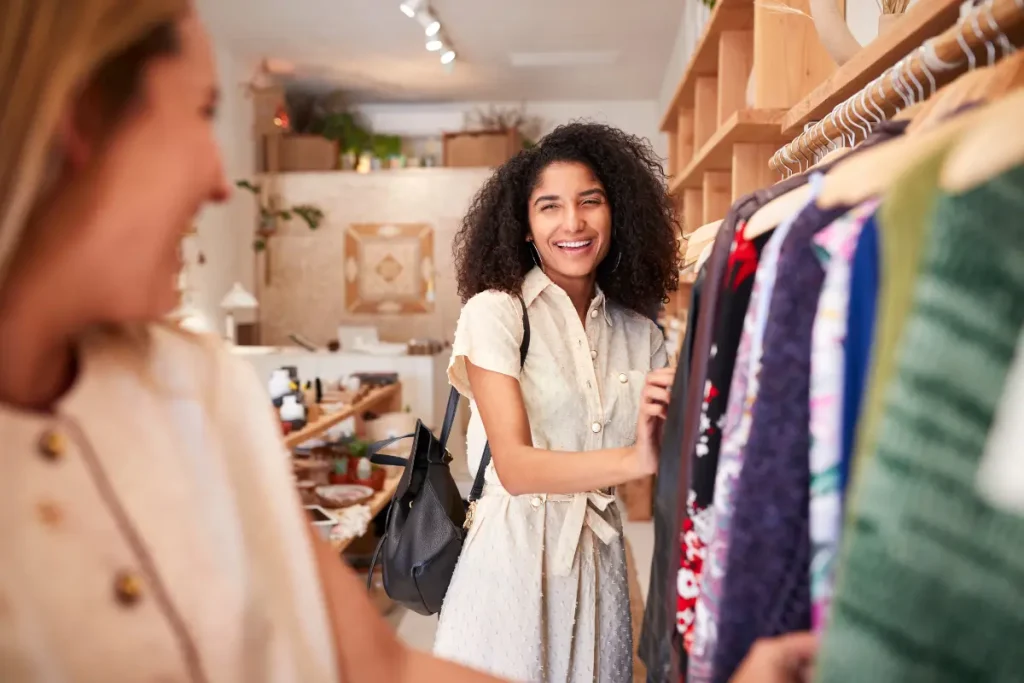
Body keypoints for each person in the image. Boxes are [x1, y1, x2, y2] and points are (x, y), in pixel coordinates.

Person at [0, 2, 504, 681]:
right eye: (203, 111)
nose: (218, 180)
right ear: (83, 114)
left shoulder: (201, 385)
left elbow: (380, 665)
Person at [432, 123, 681, 682]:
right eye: (550, 207)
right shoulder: (495, 314)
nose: (573, 223)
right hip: (510, 564)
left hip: (601, 562)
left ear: (617, 213)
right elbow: (516, 468)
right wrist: (635, 461)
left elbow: (672, 450)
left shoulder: (641, 334)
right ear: (525, 226)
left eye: (590, 201)